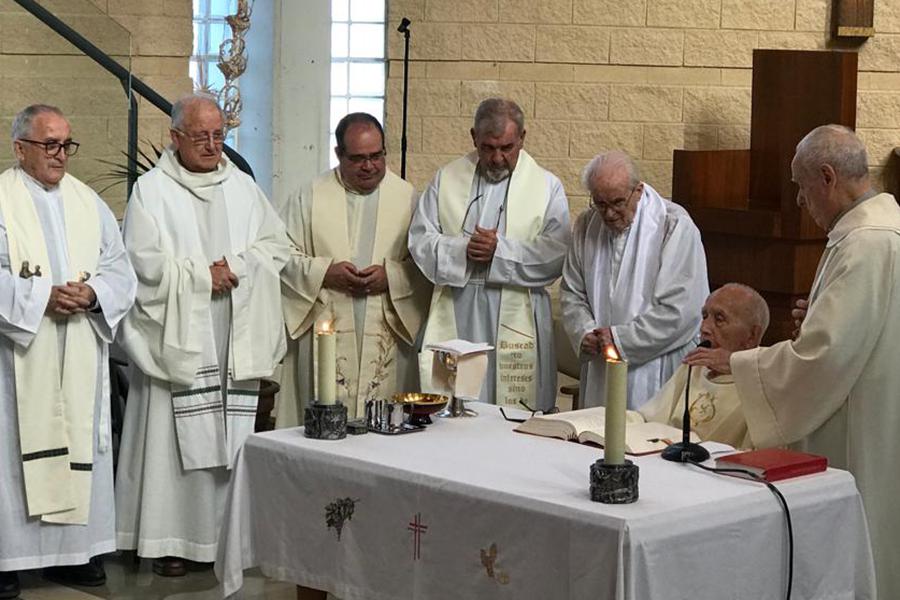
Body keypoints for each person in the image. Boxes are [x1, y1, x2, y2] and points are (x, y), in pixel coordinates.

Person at [685, 124, 900, 598]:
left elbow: (825, 355)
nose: (801, 202)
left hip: (860, 425)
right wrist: (817, 317)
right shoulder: (879, 230)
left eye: (802, 188)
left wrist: (740, 363)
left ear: (826, 177)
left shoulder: (866, 242)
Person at [114, 94, 290, 577]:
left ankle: (225, 537)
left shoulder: (242, 188)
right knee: (171, 446)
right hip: (180, 337)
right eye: (201, 136)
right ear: (175, 137)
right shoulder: (152, 191)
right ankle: (171, 540)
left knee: (228, 441)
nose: (213, 145)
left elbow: (276, 246)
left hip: (234, 330)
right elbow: (141, 264)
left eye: (219, 135)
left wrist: (232, 267)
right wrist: (198, 277)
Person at [0, 104, 136, 597]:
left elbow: (120, 269)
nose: (61, 156)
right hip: (18, 353)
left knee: (78, 437)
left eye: (66, 145)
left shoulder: (87, 202)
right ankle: (7, 559)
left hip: (78, 343)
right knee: (13, 450)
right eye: (49, 145)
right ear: (20, 148)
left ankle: (73, 554)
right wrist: (39, 298)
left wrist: (94, 293)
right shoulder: (1, 197)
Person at [408, 98, 571, 410]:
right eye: (488, 148)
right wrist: (462, 249)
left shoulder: (547, 186)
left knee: (513, 409)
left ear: (523, 137)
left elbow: (557, 251)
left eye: (507, 147)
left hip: (518, 308)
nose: (497, 158)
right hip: (459, 305)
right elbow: (419, 239)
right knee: (457, 402)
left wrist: (500, 252)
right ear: (473, 137)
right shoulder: (446, 179)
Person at [277, 113, 430, 423]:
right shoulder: (310, 195)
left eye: (376, 156)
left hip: (386, 325)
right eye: (358, 158)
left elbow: (426, 263)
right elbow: (279, 255)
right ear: (338, 154)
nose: (369, 166)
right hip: (325, 321)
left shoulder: (408, 198)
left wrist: (392, 277)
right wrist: (324, 273)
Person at [560, 150, 708, 410]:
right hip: (601, 365)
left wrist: (620, 340)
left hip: (656, 366)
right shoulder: (586, 225)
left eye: (617, 202)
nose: (608, 214)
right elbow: (572, 291)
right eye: (600, 203)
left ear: (638, 191)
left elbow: (681, 311)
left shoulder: (673, 226)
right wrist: (584, 332)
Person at [638, 283, 769, 448]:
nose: (704, 328)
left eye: (719, 319)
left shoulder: (766, 382)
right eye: (705, 316)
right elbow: (649, 418)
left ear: (752, 335)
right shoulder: (695, 365)